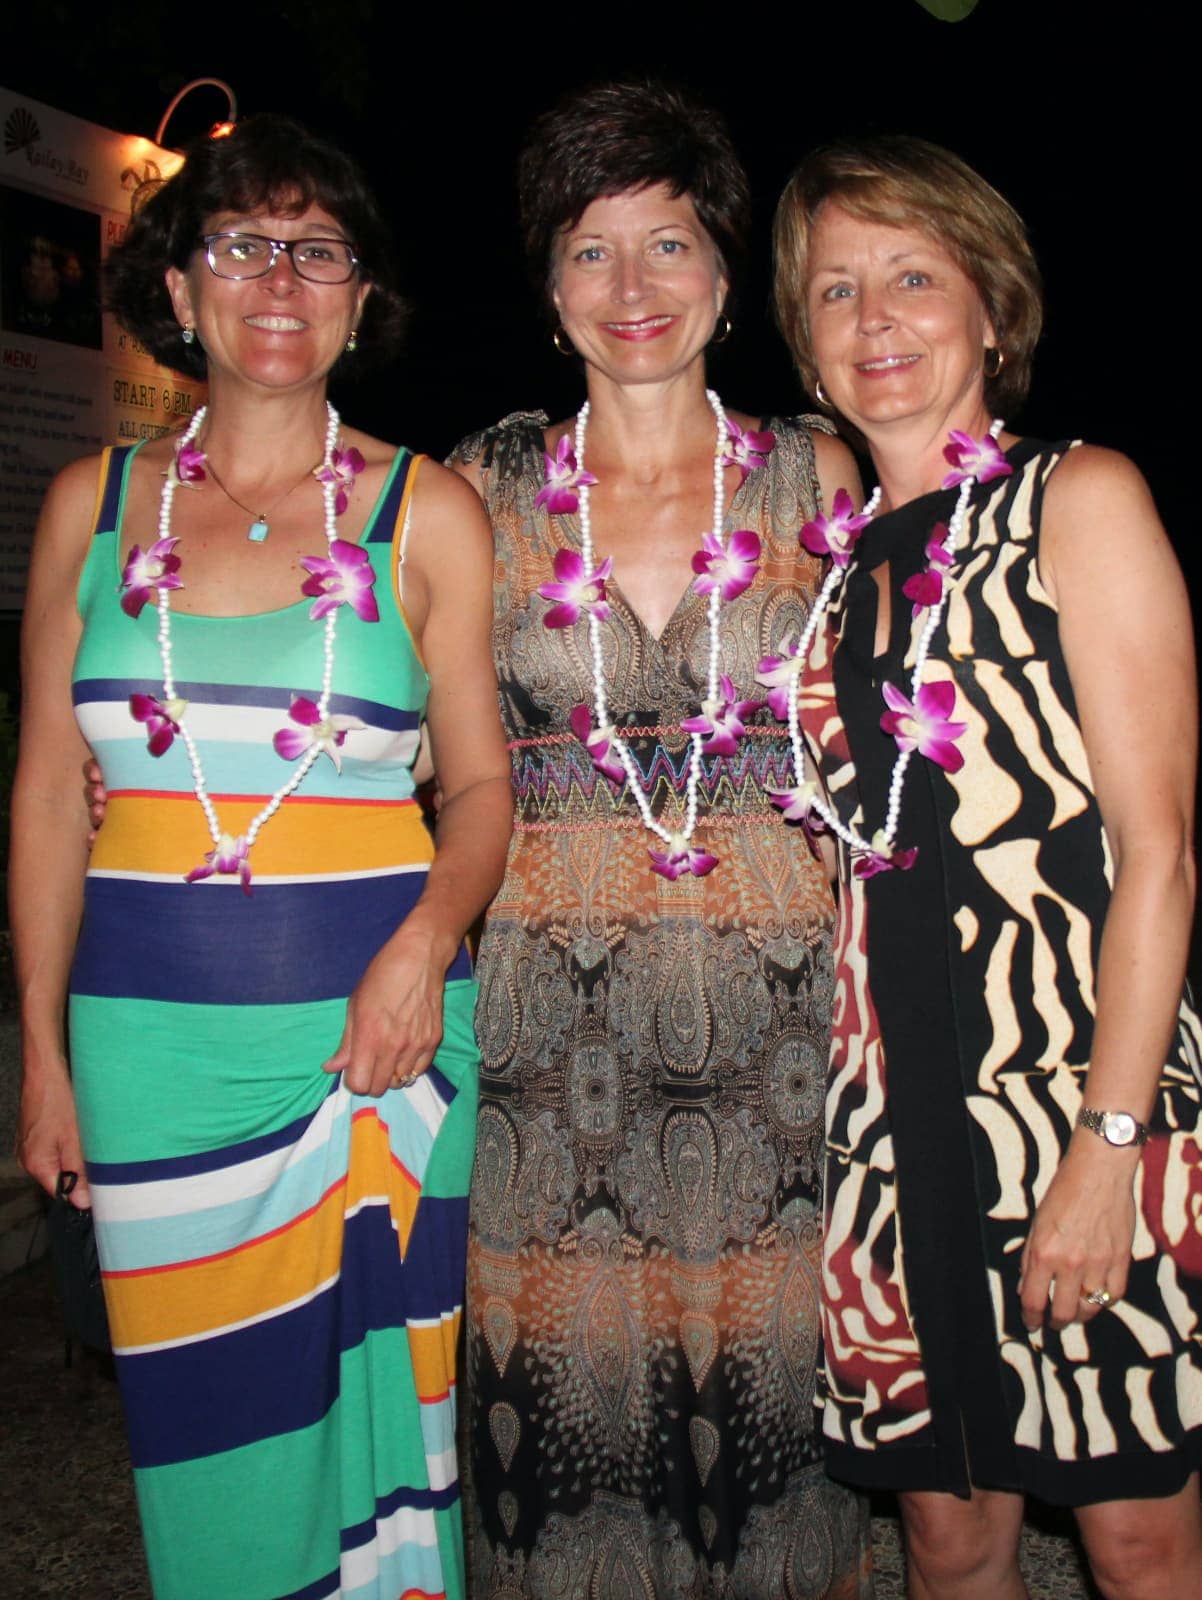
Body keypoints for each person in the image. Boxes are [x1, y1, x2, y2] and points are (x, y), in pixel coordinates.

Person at [12, 115, 511, 1600]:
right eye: (241, 245)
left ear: (361, 299)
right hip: (147, 1049)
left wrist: (421, 949)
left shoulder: (429, 509)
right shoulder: (83, 513)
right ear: (179, 292)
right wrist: (39, 1052)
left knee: (387, 1432)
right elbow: (48, 791)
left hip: (378, 1042)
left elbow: (481, 786)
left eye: (318, 250)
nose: (278, 279)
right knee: (204, 1438)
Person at [447, 82, 872, 1597]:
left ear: (723, 275)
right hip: (546, 1019)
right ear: (549, 287)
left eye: (670, 246)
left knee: (766, 1386)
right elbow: (409, 745)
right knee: (561, 1383)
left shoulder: (816, 475)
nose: (632, 291)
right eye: (590, 251)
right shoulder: (476, 488)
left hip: (774, 1007)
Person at [770, 135, 1202, 1599]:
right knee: (949, 1540)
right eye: (835, 290)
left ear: (989, 311)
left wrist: (1111, 1149)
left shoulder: (1077, 499)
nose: (873, 319)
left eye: (910, 278)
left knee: (1134, 1534)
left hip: (1070, 1092)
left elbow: (1158, 857)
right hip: (890, 1120)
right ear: (807, 343)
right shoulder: (824, 570)